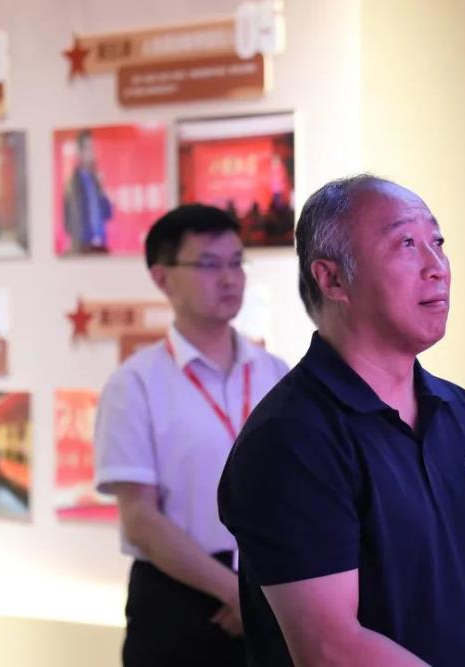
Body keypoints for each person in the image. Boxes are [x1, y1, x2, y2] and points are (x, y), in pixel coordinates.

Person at [218, 175, 465, 667]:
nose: (436, 267)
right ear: (332, 279)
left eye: (438, 242)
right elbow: (330, 646)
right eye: (406, 244)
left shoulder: (464, 413)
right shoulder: (290, 438)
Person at [94, 203, 289, 667]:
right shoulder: (135, 384)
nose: (229, 278)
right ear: (163, 278)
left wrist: (264, 594)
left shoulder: (276, 374)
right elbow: (140, 519)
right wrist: (235, 593)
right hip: (180, 598)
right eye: (209, 265)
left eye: (236, 262)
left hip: (274, 593)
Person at [64, 129, 113, 253]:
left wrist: (102, 189)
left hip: (100, 245)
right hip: (83, 248)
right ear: (79, 152)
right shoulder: (73, 182)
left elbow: (108, 214)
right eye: (87, 148)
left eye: (93, 148)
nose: (91, 152)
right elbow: (69, 222)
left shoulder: (96, 179)